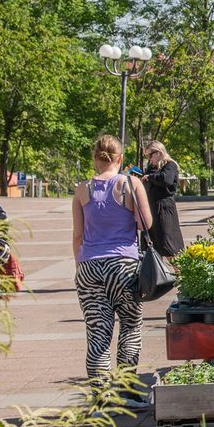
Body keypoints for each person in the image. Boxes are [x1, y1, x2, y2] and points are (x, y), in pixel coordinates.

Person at [72, 134, 154, 404]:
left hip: (89, 266)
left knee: (97, 332)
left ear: (95, 159)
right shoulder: (130, 184)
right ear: (120, 158)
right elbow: (145, 224)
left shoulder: (82, 190)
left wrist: (80, 267)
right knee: (130, 325)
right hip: (123, 267)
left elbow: (78, 235)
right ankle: (127, 390)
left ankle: (102, 398)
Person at [140, 141, 184, 256]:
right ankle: (157, 268)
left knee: (168, 244)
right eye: (147, 156)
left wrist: (150, 177)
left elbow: (166, 180)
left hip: (164, 208)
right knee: (152, 247)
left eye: (150, 155)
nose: (149, 159)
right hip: (151, 209)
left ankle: (177, 268)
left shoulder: (170, 165)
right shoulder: (151, 168)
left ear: (159, 152)